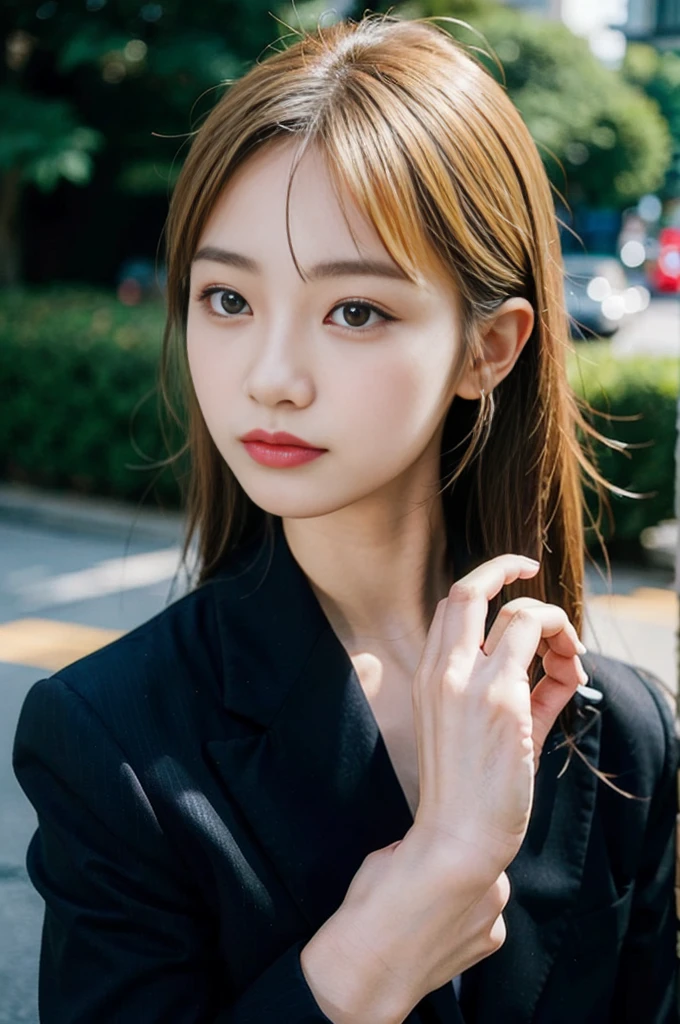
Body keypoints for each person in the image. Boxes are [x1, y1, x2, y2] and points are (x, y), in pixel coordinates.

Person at [12, 14, 678, 1024]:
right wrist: (382, 942)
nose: (270, 378)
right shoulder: (112, 740)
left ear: (485, 350)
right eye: (227, 299)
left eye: (353, 310)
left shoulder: (624, 738)